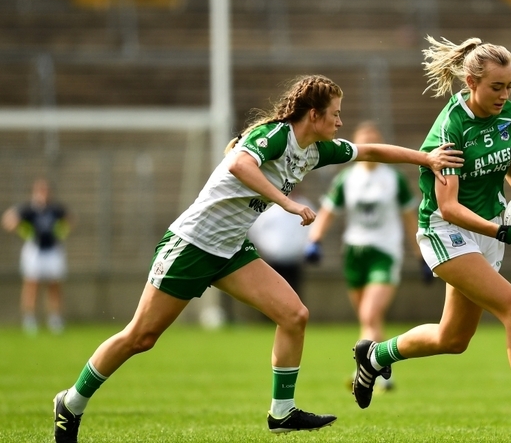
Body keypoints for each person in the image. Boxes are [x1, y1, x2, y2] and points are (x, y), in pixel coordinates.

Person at [51, 74, 463, 443]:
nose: (340, 122)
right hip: (192, 245)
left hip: (230, 249)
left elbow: (371, 151)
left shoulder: (317, 151)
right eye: (335, 114)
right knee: (141, 337)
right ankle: (71, 403)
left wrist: (425, 157)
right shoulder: (277, 135)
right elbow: (238, 164)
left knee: (294, 315)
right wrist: (286, 202)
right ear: (314, 115)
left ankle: (282, 413)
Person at [350, 36, 511, 443]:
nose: (505, 94)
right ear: (471, 81)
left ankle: (374, 356)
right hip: (447, 232)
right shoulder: (451, 127)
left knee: (453, 338)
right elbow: (449, 207)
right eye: (497, 87)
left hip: (490, 228)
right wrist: (506, 232)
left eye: (510, 85)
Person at [305, 120, 432, 392]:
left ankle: (362, 371)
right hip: (354, 252)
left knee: (370, 313)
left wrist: (421, 255)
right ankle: (386, 374)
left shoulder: (393, 179)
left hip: (384, 252)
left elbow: (410, 218)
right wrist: (314, 240)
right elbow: (328, 211)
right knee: (368, 319)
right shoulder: (347, 178)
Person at [2, 178, 72, 336]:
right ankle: (30, 319)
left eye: (46, 191)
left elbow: (69, 220)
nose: (44, 194)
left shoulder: (55, 209)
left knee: (54, 285)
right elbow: (8, 220)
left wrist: (62, 231)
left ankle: (55, 319)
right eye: (40, 191)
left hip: (53, 249)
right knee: (31, 285)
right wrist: (21, 230)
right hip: (34, 250)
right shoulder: (28, 210)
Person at [247, 188, 314, 300]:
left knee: (293, 292)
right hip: (272, 260)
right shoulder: (268, 207)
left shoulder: (304, 205)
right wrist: (266, 249)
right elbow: (256, 230)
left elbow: (311, 230)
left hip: (294, 260)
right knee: (271, 292)